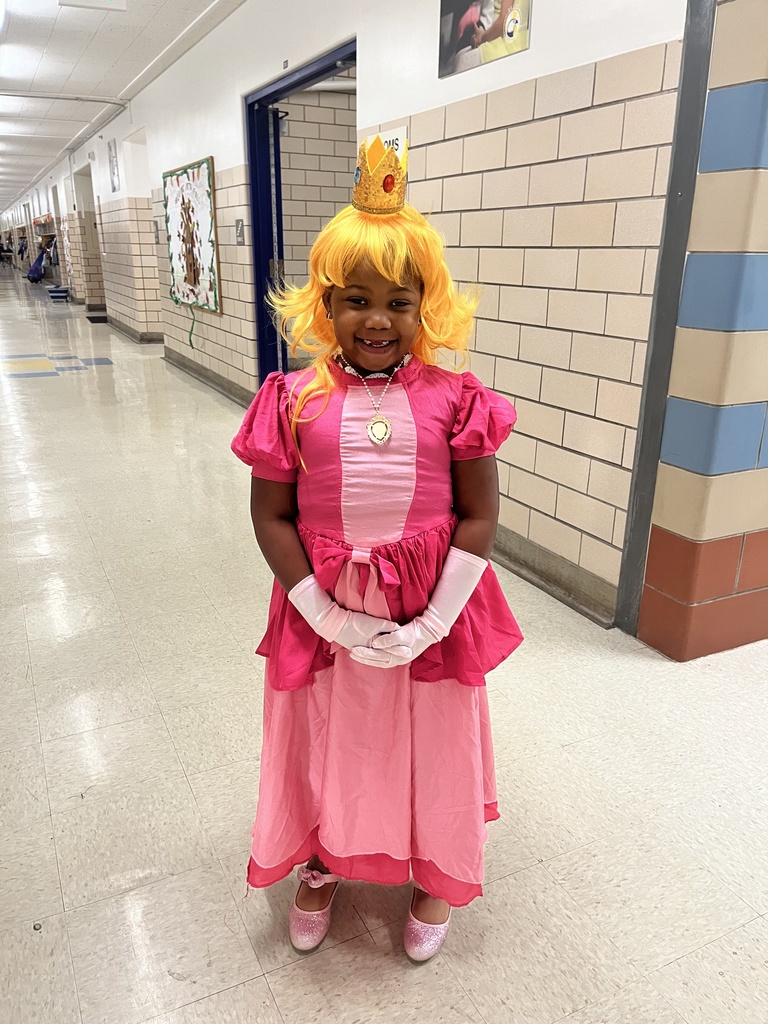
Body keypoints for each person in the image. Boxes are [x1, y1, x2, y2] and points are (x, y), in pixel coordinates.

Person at [231, 135, 523, 962]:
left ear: (425, 306)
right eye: (356, 299)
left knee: (434, 737)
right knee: (328, 733)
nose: (377, 320)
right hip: (322, 610)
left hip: (432, 609)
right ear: (324, 305)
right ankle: (324, 859)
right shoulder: (290, 401)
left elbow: (479, 516)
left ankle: (438, 869)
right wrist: (322, 612)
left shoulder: (458, 401)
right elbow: (271, 518)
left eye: (400, 301)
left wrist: (433, 623)